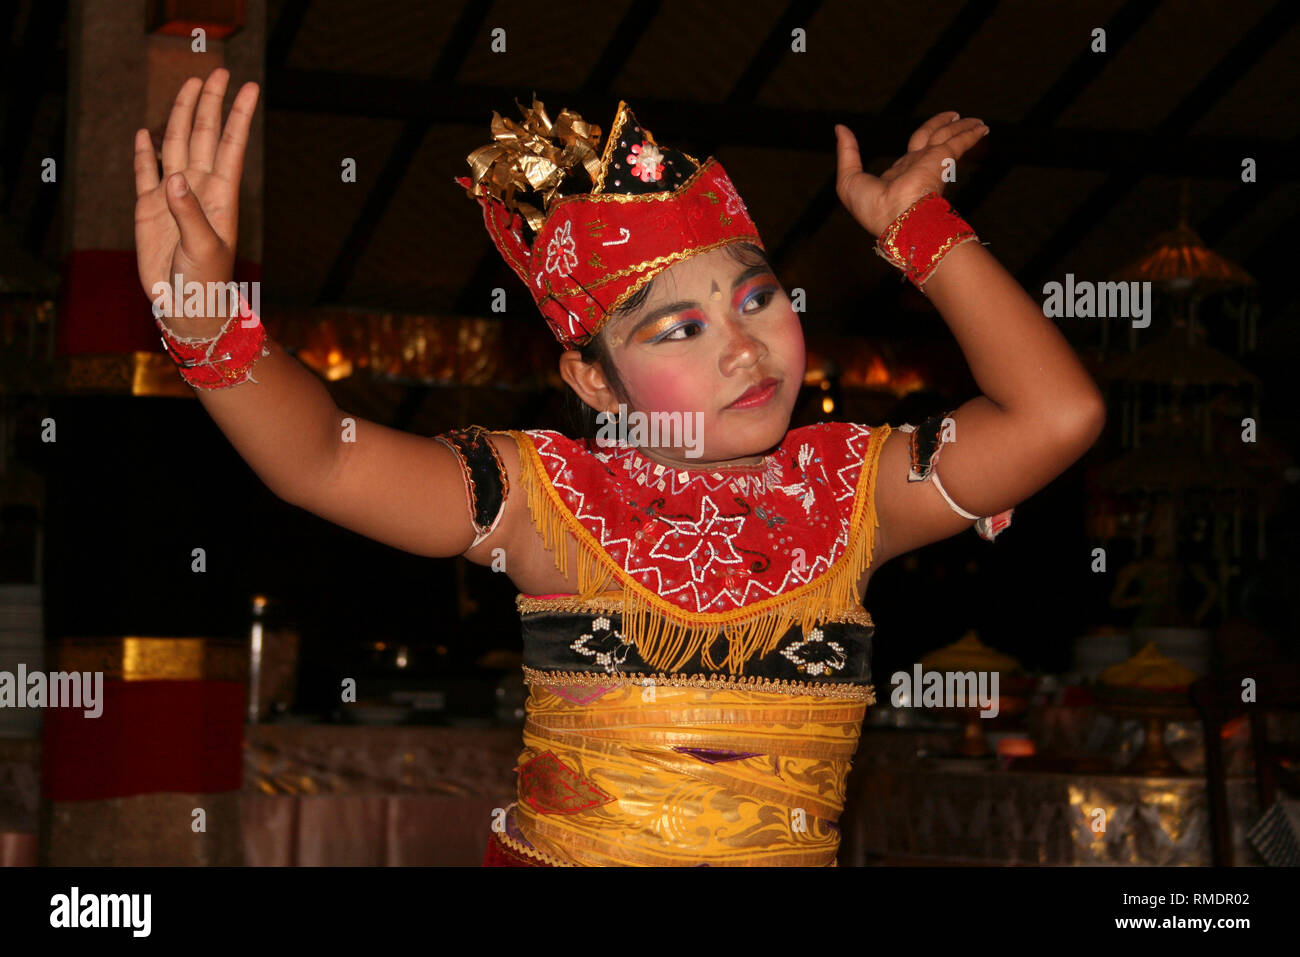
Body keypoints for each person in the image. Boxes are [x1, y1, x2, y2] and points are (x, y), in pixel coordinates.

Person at [134, 69, 1105, 866]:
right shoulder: (542, 497)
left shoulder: (853, 487)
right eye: (681, 327)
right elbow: (320, 461)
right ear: (591, 380)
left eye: (758, 301)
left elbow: (1056, 415)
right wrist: (208, 325)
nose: (744, 348)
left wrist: (917, 230)